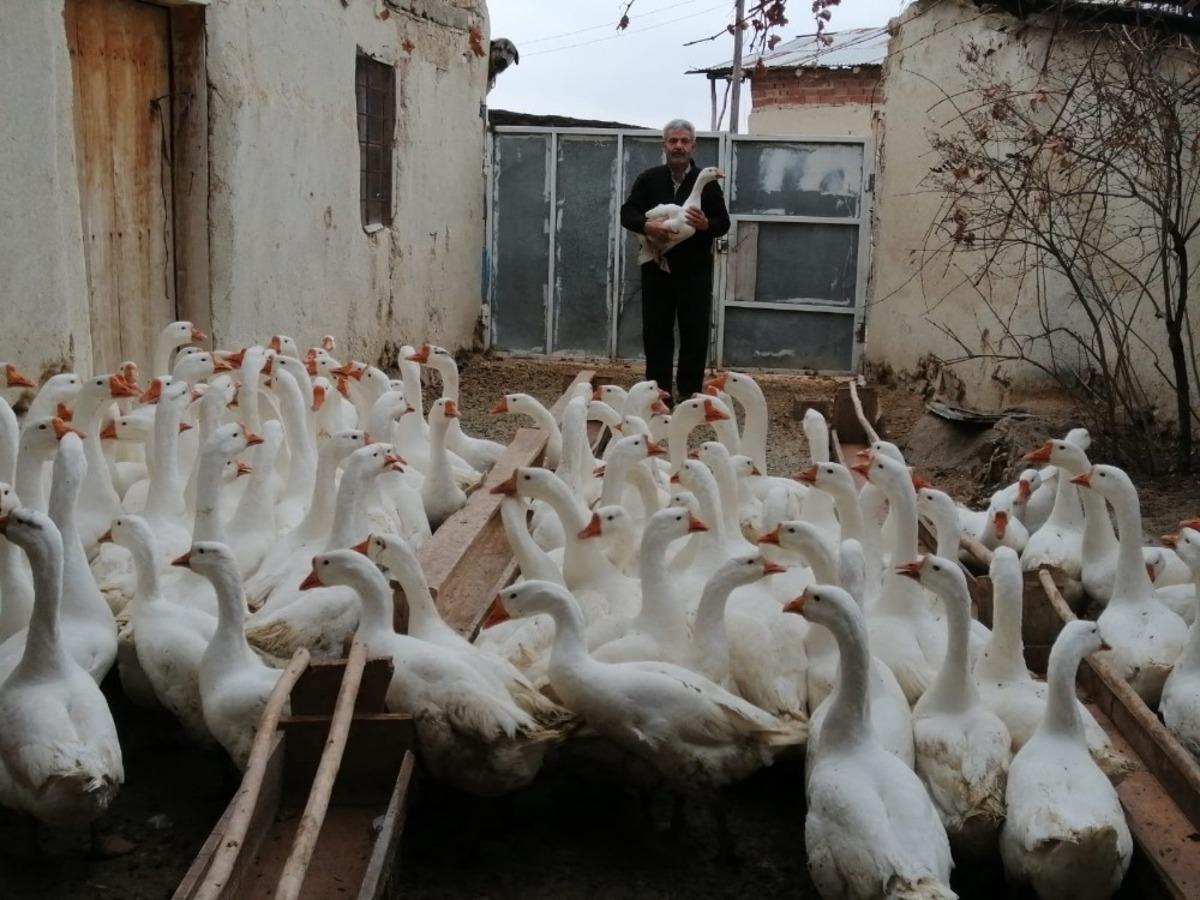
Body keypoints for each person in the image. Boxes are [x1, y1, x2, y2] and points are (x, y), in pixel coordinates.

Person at [620, 118, 730, 405]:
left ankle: (690, 395)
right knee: (656, 332)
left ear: (693, 146)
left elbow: (723, 222)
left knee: (694, 331)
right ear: (664, 146)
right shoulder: (649, 179)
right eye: (673, 141)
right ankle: (658, 394)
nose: (678, 146)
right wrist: (647, 228)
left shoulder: (706, 186)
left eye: (684, 141)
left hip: (694, 270)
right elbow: (627, 213)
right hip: (657, 270)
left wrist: (706, 224)